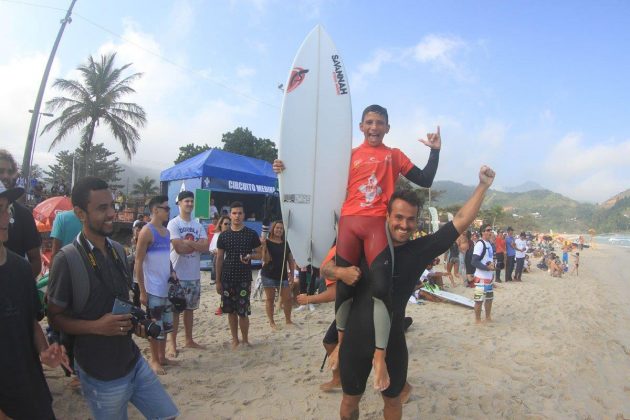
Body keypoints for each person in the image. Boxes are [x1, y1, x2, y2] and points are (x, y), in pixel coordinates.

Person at [273, 104, 441, 391]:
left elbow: (425, 179)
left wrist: (434, 151)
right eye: (369, 122)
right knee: (344, 285)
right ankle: (339, 347)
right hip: (350, 223)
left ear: (388, 127)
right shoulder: (347, 158)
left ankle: (380, 358)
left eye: (380, 123)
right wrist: (285, 170)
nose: (374, 127)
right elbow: (316, 180)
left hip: (378, 224)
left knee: (380, 288)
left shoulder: (394, 155)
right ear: (361, 127)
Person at [334, 166, 495, 419]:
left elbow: (461, 220)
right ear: (387, 216)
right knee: (349, 402)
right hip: (356, 337)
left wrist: (483, 186)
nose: (404, 225)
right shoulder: (364, 243)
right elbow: (327, 268)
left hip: (393, 340)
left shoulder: (419, 250)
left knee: (393, 402)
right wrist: (339, 273)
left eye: (411, 219)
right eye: (398, 217)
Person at [46, 176, 178, 419]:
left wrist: (134, 324)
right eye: (102, 208)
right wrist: (96, 326)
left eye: (112, 206)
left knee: (168, 414)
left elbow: (121, 302)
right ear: (80, 213)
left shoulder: (118, 251)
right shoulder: (67, 260)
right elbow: (54, 318)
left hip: (132, 359)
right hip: (99, 374)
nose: (111, 213)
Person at [0, 183, 70, 420]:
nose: (5, 218)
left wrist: (44, 351)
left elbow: (29, 322)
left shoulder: (20, 267)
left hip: (31, 390)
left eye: (6, 210)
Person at [135, 195, 177, 375]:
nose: (168, 212)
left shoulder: (166, 232)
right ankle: (153, 359)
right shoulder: (146, 231)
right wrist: (142, 291)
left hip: (165, 286)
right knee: (154, 325)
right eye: (166, 209)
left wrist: (172, 271)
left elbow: (166, 257)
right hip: (153, 288)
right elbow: (138, 261)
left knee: (167, 324)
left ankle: (162, 357)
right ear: (155, 210)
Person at [166, 191, 209, 357]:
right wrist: (195, 244)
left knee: (190, 310)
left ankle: (189, 340)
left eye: (191, 201)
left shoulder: (198, 225)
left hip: (193, 274)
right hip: (177, 274)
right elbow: (179, 248)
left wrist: (188, 242)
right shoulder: (173, 223)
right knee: (175, 311)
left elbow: (205, 247)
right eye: (186, 201)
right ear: (179, 203)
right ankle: (172, 344)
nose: (189, 204)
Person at [215, 202, 262, 349]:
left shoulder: (251, 234)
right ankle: (234, 339)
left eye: (240, 213)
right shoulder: (224, 235)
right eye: (234, 213)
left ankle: (245, 339)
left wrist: (250, 256)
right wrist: (217, 280)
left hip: (244, 278)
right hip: (227, 278)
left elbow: (261, 253)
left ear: (244, 215)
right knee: (230, 311)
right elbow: (219, 259)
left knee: (243, 312)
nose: (237, 216)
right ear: (230, 215)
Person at [0, 149, 42, 277]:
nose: (6, 176)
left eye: (10, 171)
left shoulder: (23, 215)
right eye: (1, 171)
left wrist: (19, 285)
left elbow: (35, 260)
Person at [260, 220, 296, 329]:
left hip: (283, 275)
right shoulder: (267, 242)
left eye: (281, 228)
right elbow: (265, 260)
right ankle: (272, 322)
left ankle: (288, 320)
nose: (279, 230)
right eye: (277, 228)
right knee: (270, 299)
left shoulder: (286, 243)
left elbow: (290, 260)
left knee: (288, 298)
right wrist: (264, 246)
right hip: (268, 275)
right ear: (273, 229)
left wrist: (292, 274)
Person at [471, 223, 495, 323]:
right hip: (480, 278)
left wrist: (492, 271)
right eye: (488, 230)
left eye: (491, 230)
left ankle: (488, 317)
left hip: (488, 278)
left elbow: (488, 259)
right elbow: (474, 261)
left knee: (489, 298)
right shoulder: (480, 244)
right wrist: (486, 268)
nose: (490, 232)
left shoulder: (489, 244)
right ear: (483, 232)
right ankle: (477, 319)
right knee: (479, 300)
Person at [210, 216, 231, 315]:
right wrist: (217, 251)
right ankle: (222, 305)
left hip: (231, 264)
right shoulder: (217, 236)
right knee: (221, 286)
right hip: (220, 263)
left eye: (229, 224)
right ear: (221, 225)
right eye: (225, 224)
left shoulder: (234, 235)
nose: (227, 226)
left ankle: (224, 305)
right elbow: (212, 249)